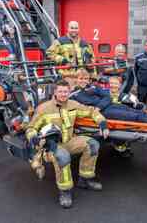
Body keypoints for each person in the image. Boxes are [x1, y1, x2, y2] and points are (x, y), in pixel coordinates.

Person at [26, 80, 109, 208]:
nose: (63, 94)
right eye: (60, 91)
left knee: (93, 144)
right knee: (63, 157)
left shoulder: (73, 104)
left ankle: (85, 179)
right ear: (55, 92)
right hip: (51, 146)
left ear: (69, 92)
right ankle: (65, 191)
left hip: (69, 141)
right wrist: (33, 138)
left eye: (66, 91)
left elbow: (91, 111)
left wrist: (102, 124)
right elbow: (31, 128)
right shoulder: (44, 108)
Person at [70, 69, 147, 125]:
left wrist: (99, 106)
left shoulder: (94, 87)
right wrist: (97, 110)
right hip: (104, 113)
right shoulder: (74, 95)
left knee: (140, 112)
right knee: (136, 117)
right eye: (81, 78)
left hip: (109, 106)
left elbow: (108, 97)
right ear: (76, 79)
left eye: (85, 78)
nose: (83, 81)